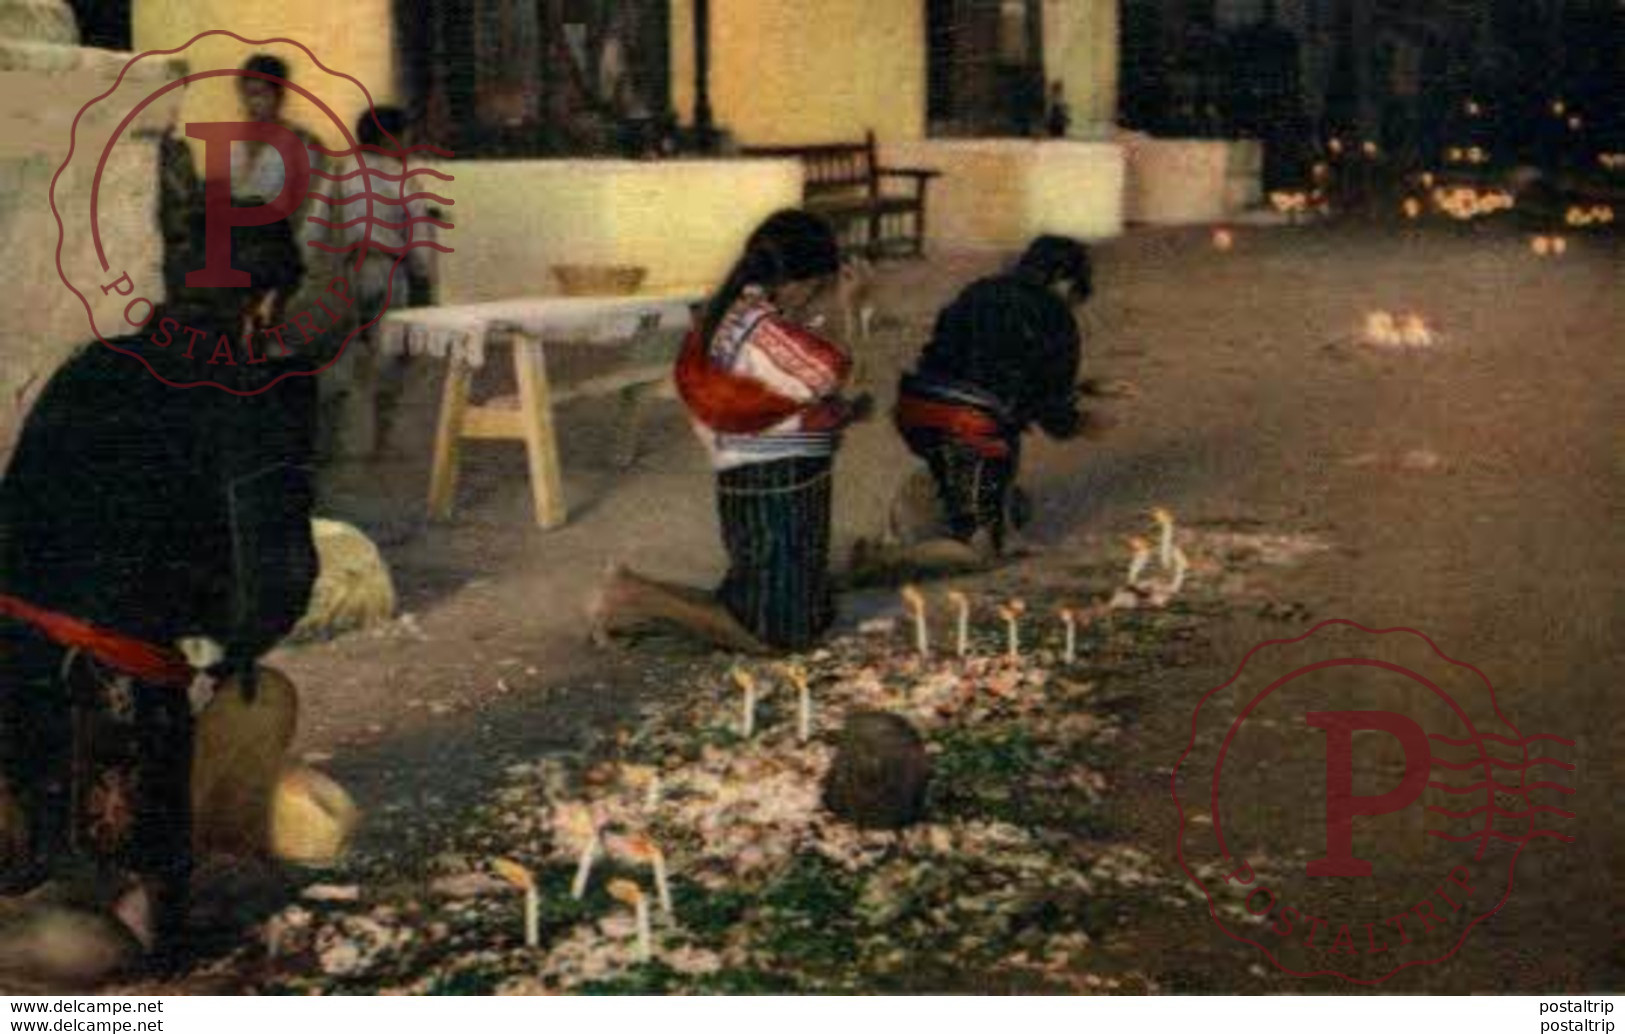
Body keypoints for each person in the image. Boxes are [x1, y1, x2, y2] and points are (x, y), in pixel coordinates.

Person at [0, 217, 320, 983]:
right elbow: (268, 584)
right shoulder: (253, 393)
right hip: (112, 679)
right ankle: (104, 924)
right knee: (136, 923)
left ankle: (35, 889)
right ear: (265, 306)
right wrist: (232, 646)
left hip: (8, 648)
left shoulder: (94, 364)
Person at [589, 210, 871, 654]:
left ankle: (650, 599)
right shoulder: (761, 326)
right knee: (778, 634)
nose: (815, 301)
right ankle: (632, 596)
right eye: (817, 289)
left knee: (808, 611)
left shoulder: (741, 308)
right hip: (772, 478)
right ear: (794, 282)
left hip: (775, 472)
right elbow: (837, 375)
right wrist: (851, 309)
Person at [885, 235, 1111, 569]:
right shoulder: (1056, 316)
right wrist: (1078, 422)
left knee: (973, 450)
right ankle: (913, 554)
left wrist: (1082, 388)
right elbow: (1047, 405)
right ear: (1064, 282)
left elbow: (971, 363)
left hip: (917, 409)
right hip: (976, 425)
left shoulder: (980, 289)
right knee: (982, 548)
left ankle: (927, 515)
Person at [328, 106, 437, 457]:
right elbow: (420, 239)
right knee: (387, 358)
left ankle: (335, 441)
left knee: (338, 356)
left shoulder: (339, 171)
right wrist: (424, 282)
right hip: (389, 271)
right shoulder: (402, 178)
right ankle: (380, 441)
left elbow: (315, 226)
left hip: (344, 271)